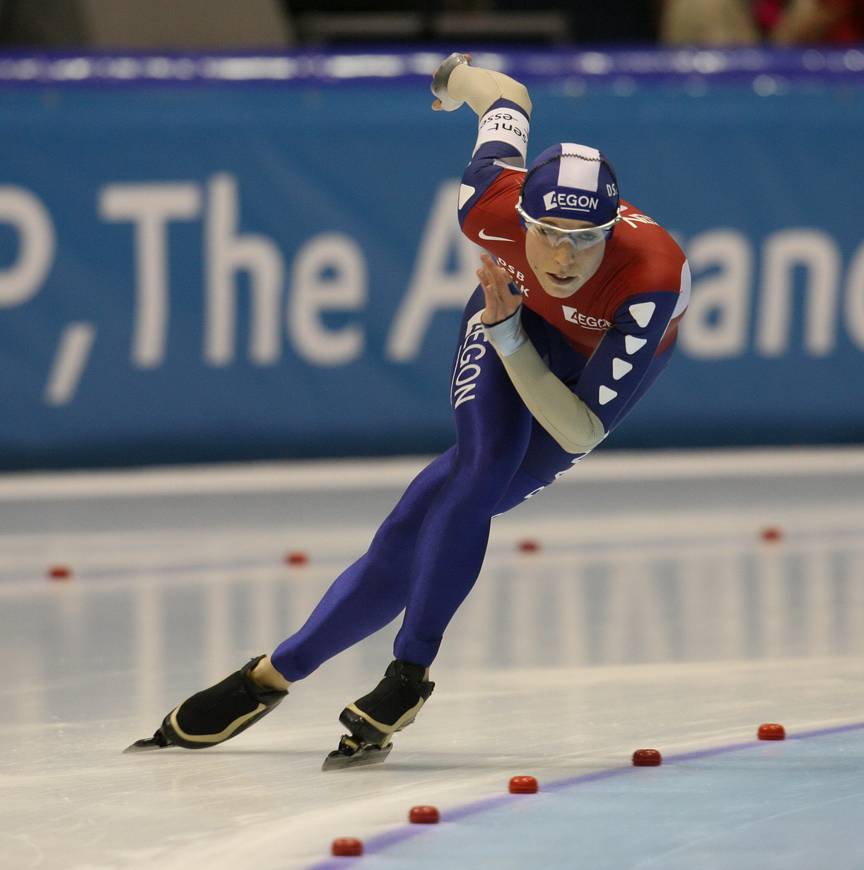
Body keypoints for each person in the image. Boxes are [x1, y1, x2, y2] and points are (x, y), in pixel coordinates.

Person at [126, 53, 690, 767]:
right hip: (506, 313)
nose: (564, 255)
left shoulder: (653, 279)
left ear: (611, 232)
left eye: (585, 239)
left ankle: (278, 672)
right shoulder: (486, 199)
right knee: (476, 478)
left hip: (575, 362)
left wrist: (512, 335)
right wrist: (451, 75)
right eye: (547, 233)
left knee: (433, 517)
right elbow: (504, 97)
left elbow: (578, 426)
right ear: (518, 215)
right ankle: (397, 675)